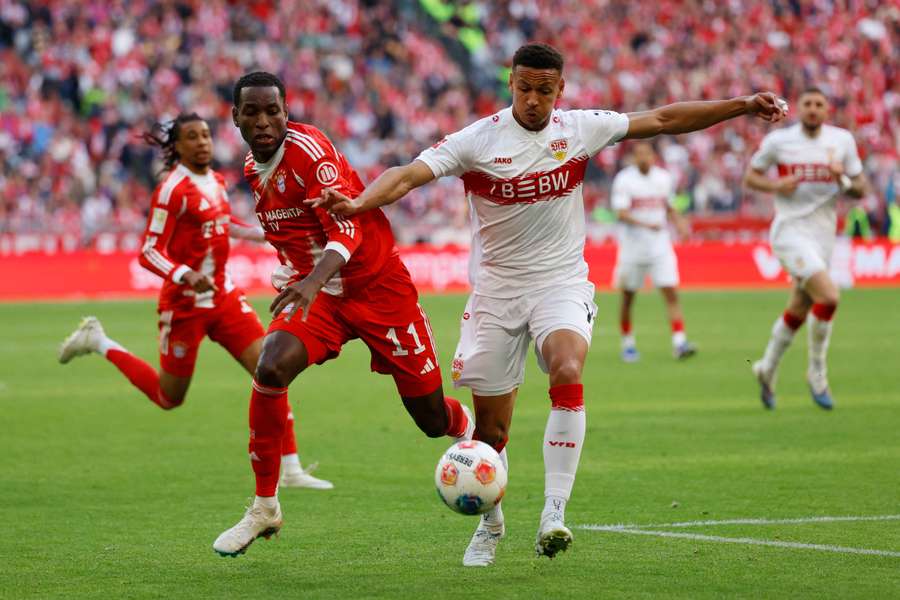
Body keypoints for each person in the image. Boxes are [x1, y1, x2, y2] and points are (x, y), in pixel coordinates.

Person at [311, 42, 786, 566]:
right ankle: (491, 525)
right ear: (510, 85)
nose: (533, 99)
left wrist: (741, 104)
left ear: (560, 90)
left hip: (561, 282)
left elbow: (665, 118)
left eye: (544, 89)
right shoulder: (477, 141)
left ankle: (553, 515)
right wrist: (357, 202)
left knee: (566, 366)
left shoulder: (580, 129)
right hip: (495, 292)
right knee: (490, 431)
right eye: (524, 88)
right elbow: (406, 174)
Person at [212, 72, 473, 557]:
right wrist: (295, 272)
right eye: (253, 112)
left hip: (377, 288)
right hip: (323, 300)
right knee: (270, 366)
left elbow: (347, 230)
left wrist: (310, 280)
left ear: (288, 111)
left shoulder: (310, 153)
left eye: (274, 110)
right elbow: (291, 230)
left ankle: (470, 434)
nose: (265, 121)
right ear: (236, 117)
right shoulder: (253, 167)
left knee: (431, 419)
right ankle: (265, 506)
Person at [58, 114, 332, 490]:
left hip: (224, 298)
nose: (203, 142)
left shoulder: (216, 181)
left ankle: (292, 469)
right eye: (192, 136)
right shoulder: (171, 190)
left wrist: (269, 233)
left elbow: (225, 223)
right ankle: (98, 341)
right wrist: (185, 275)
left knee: (270, 370)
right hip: (184, 304)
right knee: (169, 397)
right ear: (178, 146)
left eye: (205, 134)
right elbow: (148, 252)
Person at [744, 87, 867, 410]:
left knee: (799, 306)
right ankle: (817, 373)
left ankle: (766, 369)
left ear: (827, 111)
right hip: (789, 232)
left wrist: (842, 179)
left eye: (819, 105)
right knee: (829, 295)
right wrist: (775, 185)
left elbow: (860, 189)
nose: (813, 109)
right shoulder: (779, 142)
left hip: (823, 235)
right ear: (799, 109)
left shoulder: (841, 141)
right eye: (808, 104)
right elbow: (751, 178)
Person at [610, 142, 696, 362]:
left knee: (671, 292)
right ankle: (627, 344)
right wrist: (646, 224)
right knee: (628, 297)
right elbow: (620, 213)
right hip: (632, 248)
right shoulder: (624, 179)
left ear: (653, 156)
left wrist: (680, 223)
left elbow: (668, 207)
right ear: (633, 157)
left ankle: (679, 342)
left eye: (647, 154)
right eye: (639, 154)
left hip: (659, 246)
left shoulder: (664, 178)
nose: (643, 158)